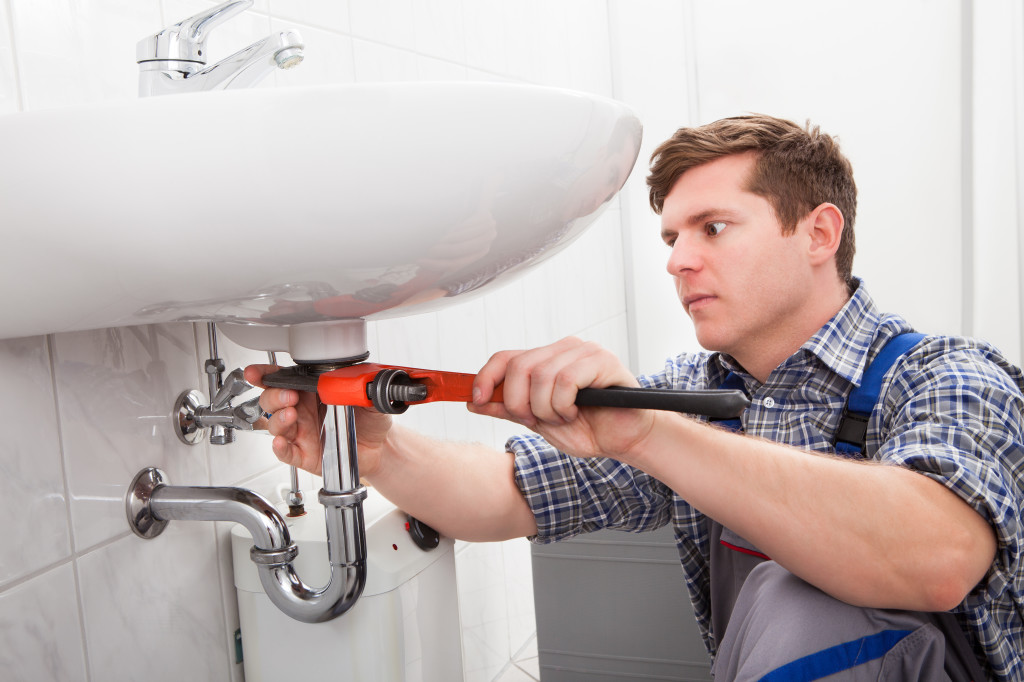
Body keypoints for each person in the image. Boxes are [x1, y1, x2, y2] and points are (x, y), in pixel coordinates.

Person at [246, 115, 1024, 681]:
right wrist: (379, 452)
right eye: (671, 239)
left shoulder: (948, 378)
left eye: (713, 228)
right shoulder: (691, 393)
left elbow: (936, 559)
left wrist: (650, 436)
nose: (679, 261)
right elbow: (507, 494)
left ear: (819, 234)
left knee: (804, 601)